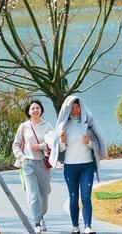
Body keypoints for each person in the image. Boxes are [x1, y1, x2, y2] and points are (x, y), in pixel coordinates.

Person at [48, 96, 107, 234]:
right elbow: (60, 150)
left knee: (86, 197)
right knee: (73, 197)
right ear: (67, 110)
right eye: (72, 108)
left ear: (81, 108)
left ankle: (87, 226)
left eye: (77, 107)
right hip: (70, 167)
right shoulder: (64, 126)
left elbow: (96, 145)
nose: (75, 110)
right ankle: (75, 226)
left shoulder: (88, 124)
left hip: (86, 166)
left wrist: (89, 143)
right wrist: (62, 141)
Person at [12, 99, 54, 233]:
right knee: (33, 195)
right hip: (28, 164)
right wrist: (23, 158)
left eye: (37, 108)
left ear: (41, 110)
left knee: (45, 193)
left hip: (43, 163)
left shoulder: (47, 126)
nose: (35, 110)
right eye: (32, 109)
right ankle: (37, 222)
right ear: (29, 112)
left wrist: (40, 146)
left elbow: (54, 144)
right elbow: (16, 145)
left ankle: (41, 216)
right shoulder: (23, 127)